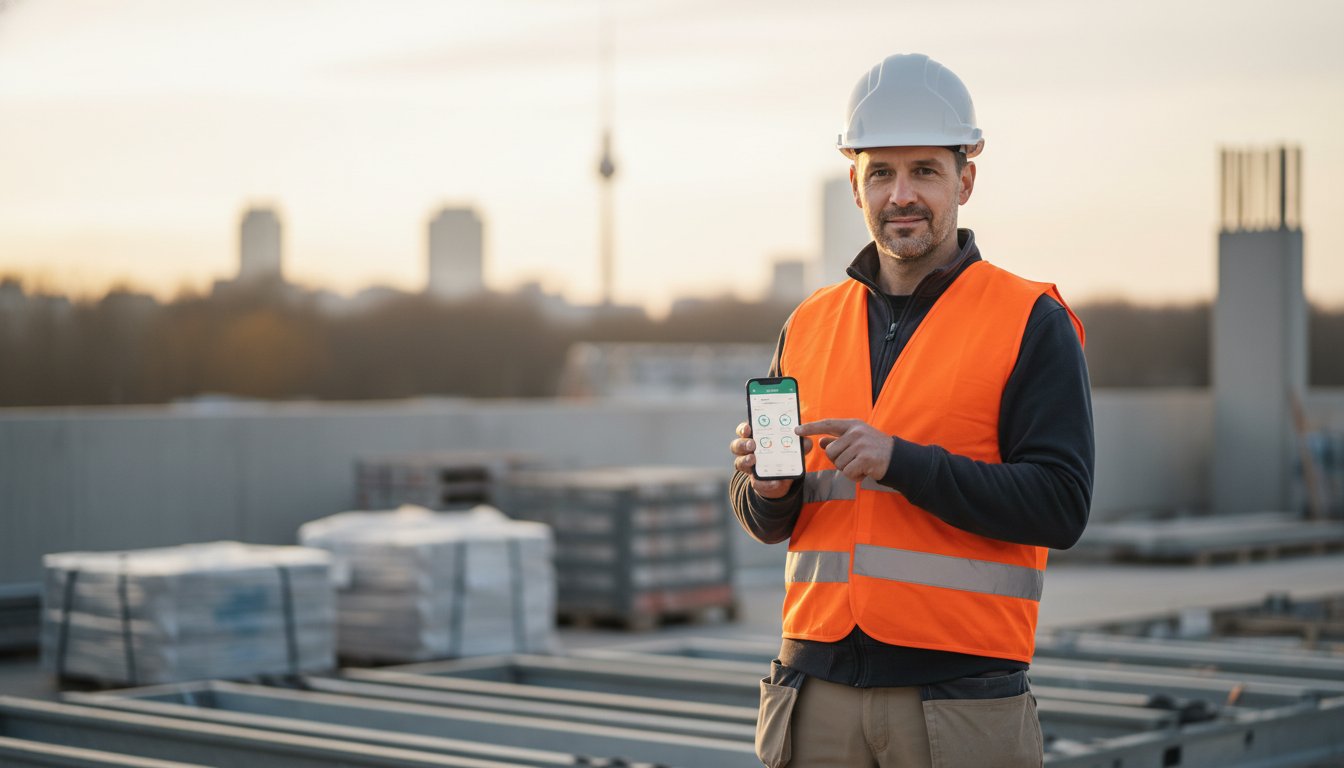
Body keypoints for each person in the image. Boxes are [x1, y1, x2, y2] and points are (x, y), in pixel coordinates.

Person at [729, 53, 1093, 768]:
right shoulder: (809, 324)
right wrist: (767, 492)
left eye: (925, 170)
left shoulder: (1030, 320)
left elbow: (1061, 505)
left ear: (966, 179)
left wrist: (902, 463)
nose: (902, 194)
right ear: (855, 183)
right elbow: (775, 521)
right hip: (815, 694)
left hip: (959, 703)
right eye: (881, 173)